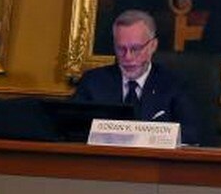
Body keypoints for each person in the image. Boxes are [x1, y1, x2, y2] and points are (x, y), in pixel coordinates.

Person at [73, 9, 202, 145]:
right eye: (121, 48)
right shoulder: (92, 82)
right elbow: (70, 129)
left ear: (153, 46)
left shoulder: (175, 85)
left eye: (136, 49)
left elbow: (191, 135)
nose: (128, 57)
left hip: (155, 164)